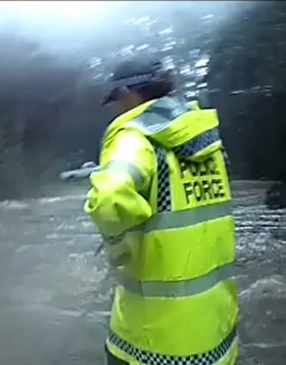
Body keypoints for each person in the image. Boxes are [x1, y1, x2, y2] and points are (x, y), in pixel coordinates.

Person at [84, 57, 238, 365]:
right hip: (216, 335)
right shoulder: (206, 141)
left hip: (154, 343)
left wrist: (120, 252)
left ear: (129, 92)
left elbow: (110, 197)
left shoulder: (134, 137)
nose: (117, 107)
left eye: (117, 99)